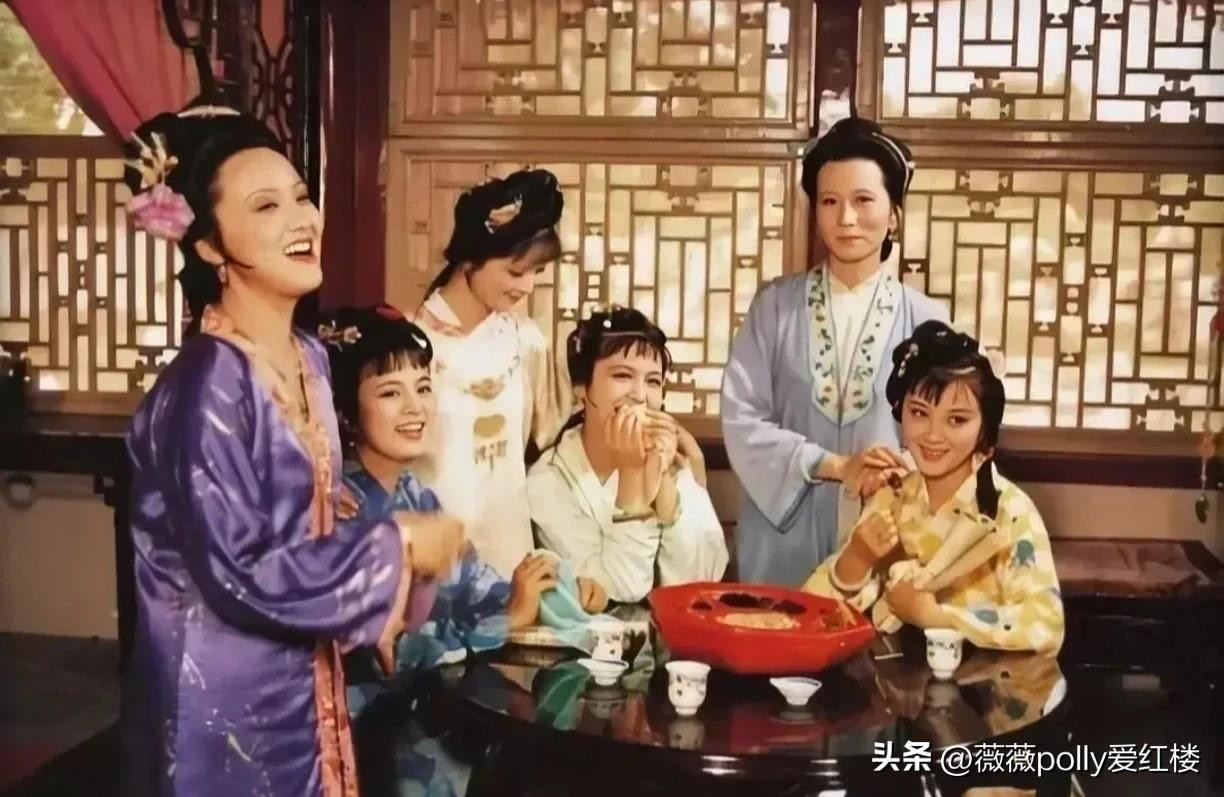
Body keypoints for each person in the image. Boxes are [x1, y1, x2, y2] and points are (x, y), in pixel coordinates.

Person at [121, 105, 463, 796]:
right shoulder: (206, 386)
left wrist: (388, 583)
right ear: (209, 245)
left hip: (299, 676)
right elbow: (237, 568)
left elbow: (308, 522)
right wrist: (394, 547)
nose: (301, 219)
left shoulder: (308, 357)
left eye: (302, 197)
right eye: (266, 205)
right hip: (216, 698)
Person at [323, 304, 566, 796]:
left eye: (423, 387)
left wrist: (534, 586)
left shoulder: (415, 493)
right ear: (346, 410)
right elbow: (393, 651)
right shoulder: (342, 508)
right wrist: (505, 621)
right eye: (390, 392)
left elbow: (474, 585)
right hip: (373, 734)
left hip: (431, 713)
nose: (415, 408)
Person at [720, 116, 948, 586]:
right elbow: (742, 420)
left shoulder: (927, 322)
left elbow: (949, 436)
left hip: (885, 533)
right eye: (829, 201)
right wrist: (837, 466)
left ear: (894, 214)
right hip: (782, 537)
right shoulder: (773, 308)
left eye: (863, 200)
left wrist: (894, 470)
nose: (845, 218)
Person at [804, 321, 1065, 658]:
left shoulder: (1009, 510)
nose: (933, 435)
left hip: (986, 680)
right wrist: (856, 559)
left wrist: (935, 616)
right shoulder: (892, 496)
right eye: (919, 413)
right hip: (894, 679)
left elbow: (1046, 625)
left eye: (957, 420)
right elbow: (811, 613)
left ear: (984, 427)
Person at [412, 169, 569, 579]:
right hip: (433, 553)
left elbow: (549, 442)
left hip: (509, 550)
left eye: (537, 273)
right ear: (471, 257)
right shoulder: (410, 346)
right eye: (516, 272)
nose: (528, 286)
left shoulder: (526, 342)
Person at [529, 306, 728, 602]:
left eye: (653, 381)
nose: (640, 395)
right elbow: (615, 589)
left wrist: (666, 488)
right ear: (581, 388)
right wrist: (633, 478)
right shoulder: (549, 480)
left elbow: (703, 578)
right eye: (622, 375)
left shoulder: (668, 457)